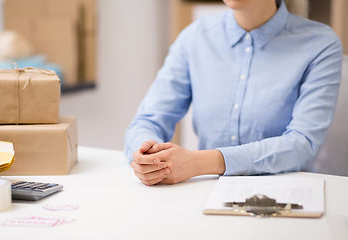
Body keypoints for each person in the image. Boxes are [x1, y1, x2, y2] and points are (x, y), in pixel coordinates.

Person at [124, 0, 343, 186]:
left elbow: (303, 145)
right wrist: (148, 158)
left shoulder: (320, 44)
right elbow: (148, 120)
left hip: (286, 196)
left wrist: (198, 163)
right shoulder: (195, 37)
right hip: (206, 195)